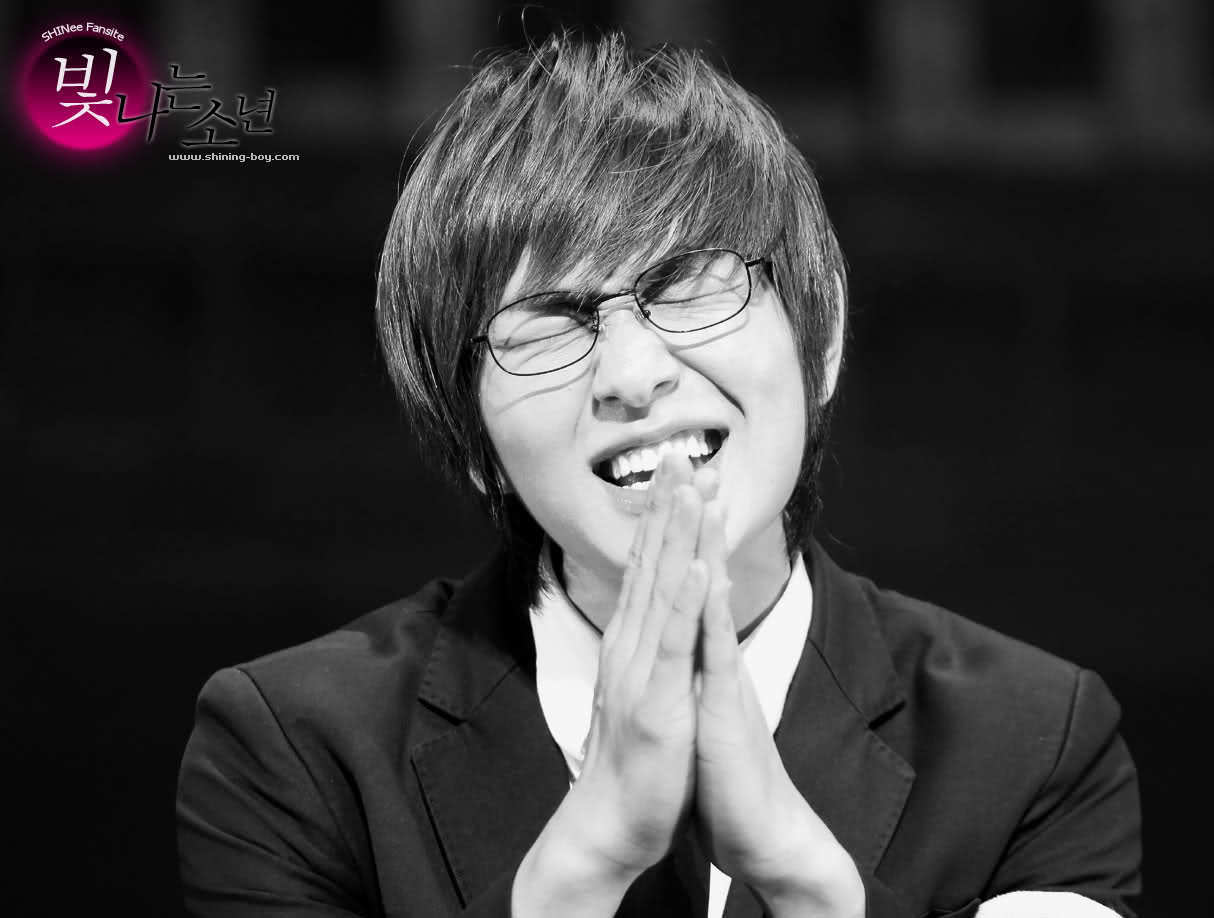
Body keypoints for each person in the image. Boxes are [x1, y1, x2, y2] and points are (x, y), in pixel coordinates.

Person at [176, 31, 1141, 918]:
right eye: (549, 325)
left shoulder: (1034, 745)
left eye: (687, 285)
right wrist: (584, 862)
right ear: (473, 442)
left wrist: (804, 878)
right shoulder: (295, 750)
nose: (634, 376)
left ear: (822, 338)